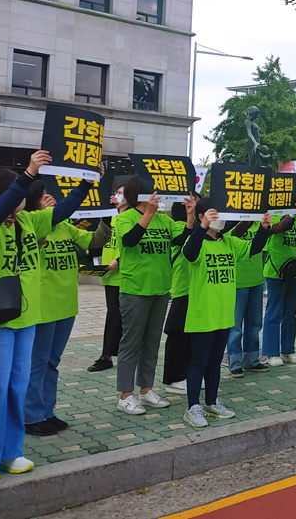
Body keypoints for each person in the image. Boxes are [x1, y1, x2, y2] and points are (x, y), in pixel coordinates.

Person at [0, 151, 94, 483]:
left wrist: (86, 182)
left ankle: (10, 452)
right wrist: (27, 172)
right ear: (4, 193)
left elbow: (64, 211)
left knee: (16, 386)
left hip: (25, 319)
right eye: (18, 192)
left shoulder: (29, 221)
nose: (24, 199)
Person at [24, 182, 111, 437]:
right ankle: (30, 416)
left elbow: (93, 242)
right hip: (41, 305)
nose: (49, 197)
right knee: (37, 363)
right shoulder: (30, 222)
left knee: (52, 362)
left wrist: (106, 217)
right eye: (42, 195)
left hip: (65, 305)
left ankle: (46, 412)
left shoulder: (63, 225)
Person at [179, 200, 271, 428]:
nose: (219, 219)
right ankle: (192, 407)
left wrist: (264, 228)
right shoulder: (196, 242)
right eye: (213, 215)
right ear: (202, 217)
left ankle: (211, 402)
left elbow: (254, 248)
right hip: (203, 314)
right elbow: (189, 253)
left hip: (223, 313)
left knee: (213, 362)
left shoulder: (229, 242)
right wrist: (201, 228)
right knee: (199, 361)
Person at [114, 178, 195, 415]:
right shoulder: (125, 218)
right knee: (131, 342)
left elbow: (181, 238)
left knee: (151, 343)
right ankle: (125, 395)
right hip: (135, 290)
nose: (157, 197)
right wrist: (147, 214)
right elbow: (130, 240)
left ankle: (146, 389)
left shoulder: (164, 219)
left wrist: (190, 216)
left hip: (160, 289)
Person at [88, 184, 128, 372]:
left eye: (121, 193)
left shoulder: (134, 218)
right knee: (113, 314)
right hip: (109, 274)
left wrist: (119, 261)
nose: (117, 196)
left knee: (121, 316)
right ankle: (107, 355)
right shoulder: (109, 216)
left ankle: (113, 354)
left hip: (125, 274)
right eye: (116, 193)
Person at [261, 196, 296, 367]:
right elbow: (279, 227)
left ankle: (288, 350)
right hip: (275, 272)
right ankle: (271, 352)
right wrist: (292, 214)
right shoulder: (276, 216)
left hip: (292, 272)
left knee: (290, 313)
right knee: (274, 312)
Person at [162, 198, 199, 392]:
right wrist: (191, 219)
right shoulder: (176, 226)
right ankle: (173, 378)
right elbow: (183, 238)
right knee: (177, 333)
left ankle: (186, 374)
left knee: (190, 335)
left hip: (196, 288)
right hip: (182, 287)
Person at [227, 219, 271, 377]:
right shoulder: (230, 223)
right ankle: (234, 362)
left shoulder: (260, 223)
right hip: (237, 282)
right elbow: (233, 234)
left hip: (256, 279)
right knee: (235, 326)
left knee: (254, 324)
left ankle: (251, 360)